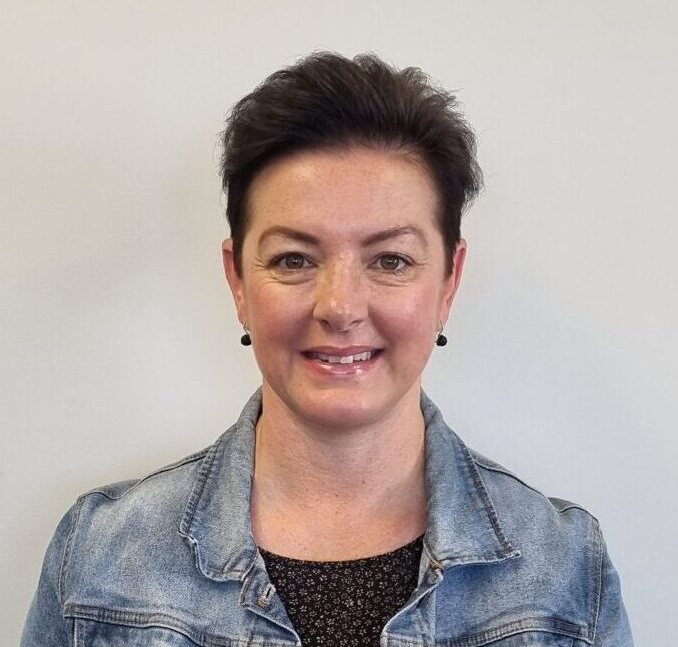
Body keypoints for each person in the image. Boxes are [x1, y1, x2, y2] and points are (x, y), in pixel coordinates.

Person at [22, 52, 634, 646]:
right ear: (238, 281)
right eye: (294, 260)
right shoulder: (100, 555)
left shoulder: (564, 568)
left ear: (449, 281)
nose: (340, 307)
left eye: (391, 260)